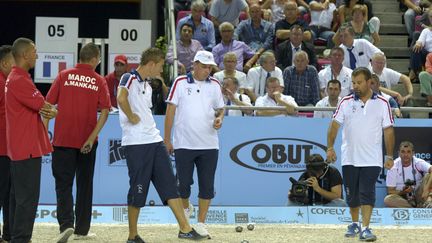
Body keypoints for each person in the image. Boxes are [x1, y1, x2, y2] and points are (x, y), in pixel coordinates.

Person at [117, 47, 206, 243]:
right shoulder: (128, 78)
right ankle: (132, 236)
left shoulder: (148, 85)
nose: (160, 71)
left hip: (154, 140)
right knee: (138, 188)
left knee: (169, 186)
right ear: (150, 64)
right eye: (159, 66)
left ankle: (185, 228)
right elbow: (121, 98)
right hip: (136, 143)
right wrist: (131, 116)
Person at [45, 42, 111, 242]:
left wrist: (43, 132)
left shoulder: (64, 76)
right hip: (86, 143)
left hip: (62, 140)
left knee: (63, 185)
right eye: (99, 59)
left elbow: (47, 105)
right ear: (93, 59)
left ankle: (66, 225)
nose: (98, 62)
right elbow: (106, 111)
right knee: (84, 185)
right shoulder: (99, 80)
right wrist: (91, 138)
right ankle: (82, 230)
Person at [327, 67, 395, 242]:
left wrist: (389, 156)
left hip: (372, 158)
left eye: (359, 83)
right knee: (352, 194)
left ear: (369, 82)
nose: (355, 86)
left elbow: (388, 130)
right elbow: (334, 125)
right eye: (353, 83)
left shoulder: (383, 103)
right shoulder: (345, 102)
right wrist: (330, 147)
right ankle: (355, 223)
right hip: (349, 157)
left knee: (367, 192)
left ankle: (365, 228)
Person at [164, 50, 225, 239]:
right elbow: (170, 111)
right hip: (184, 143)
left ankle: (201, 224)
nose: (208, 70)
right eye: (205, 66)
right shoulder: (180, 82)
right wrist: (167, 139)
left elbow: (220, 108)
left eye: (210, 67)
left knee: (207, 186)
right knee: (183, 186)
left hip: (209, 144)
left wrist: (220, 118)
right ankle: (186, 209)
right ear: (195, 64)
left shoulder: (215, 84)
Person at [6, 37, 55, 243]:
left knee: (18, 198)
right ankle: (20, 239)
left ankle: (14, 237)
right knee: (27, 200)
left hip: (20, 147)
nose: (37, 54)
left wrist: (49, 109)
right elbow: (46, 107)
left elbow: (45, 107)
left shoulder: (15, 78)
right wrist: (51, 110)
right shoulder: (20, 80)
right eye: (34, 51)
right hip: (26, 148)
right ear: (25, 54)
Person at [384, 141, 432, 208]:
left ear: (413, 153)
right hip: (403, 198)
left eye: (408, 152)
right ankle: (414, 208)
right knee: (388, 199)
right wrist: (403, 192)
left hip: (419, 195)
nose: (405, 155)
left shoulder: (418, 162)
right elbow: (390, 191)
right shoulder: (394, 166)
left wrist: (426, 189)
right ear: (399, 153)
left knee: (428, 175)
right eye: (403, 152)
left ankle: (428, 201)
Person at [0, 45, 14, 243]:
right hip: (2, 148)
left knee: (9, 193)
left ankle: (9, 234)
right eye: (14, 61)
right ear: (4, 63)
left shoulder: (8, 82)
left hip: (9, 148)